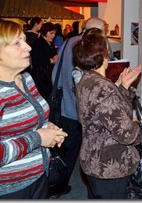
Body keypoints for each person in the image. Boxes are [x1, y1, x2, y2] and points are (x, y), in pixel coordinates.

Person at [0, 20, 68, 199]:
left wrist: (46, 126)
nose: (28, 48)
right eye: (17, 43)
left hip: (38, 177)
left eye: (24, 40)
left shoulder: (25, 79)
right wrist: (38, 137)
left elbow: (28, 119)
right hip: (6, 190)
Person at [73, 33, 142, 199]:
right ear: (105, 55)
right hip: (110, 167)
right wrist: (137, 126)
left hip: (94, 160)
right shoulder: (103, 87)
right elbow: (126, 135)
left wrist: (123, 87)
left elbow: (107, 113)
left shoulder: (86, 80)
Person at [50, 17, 107, 198]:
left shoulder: (68, 42)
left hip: (64, 105)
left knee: (64, 147)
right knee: (75, 148)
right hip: (78, 109)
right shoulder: (90, 48)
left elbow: (55, 74)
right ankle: (59, 186)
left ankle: (57, 183)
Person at [30, 22, 58, 101]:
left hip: (48, 76)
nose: (53, 36)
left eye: (54, 33)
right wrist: (51, 60)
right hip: (41, 77)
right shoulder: (38, 43)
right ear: (45, 32)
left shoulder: (49, 43)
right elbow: (36, 60)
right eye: (51, 33)